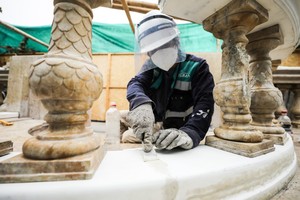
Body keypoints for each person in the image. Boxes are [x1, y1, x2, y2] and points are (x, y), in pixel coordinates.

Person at [122, 10, 215, 151]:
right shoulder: (151, 68)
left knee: (128, 137)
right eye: (153, 49)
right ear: (148, 52)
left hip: (182, 129)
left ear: (176, 42)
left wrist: (191, 132)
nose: (159, 52)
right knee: (120, 120)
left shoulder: (197, 67)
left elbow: (205, 103)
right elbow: (135, 83)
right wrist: (141, 104)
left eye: (164, 45)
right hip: (158, 124)